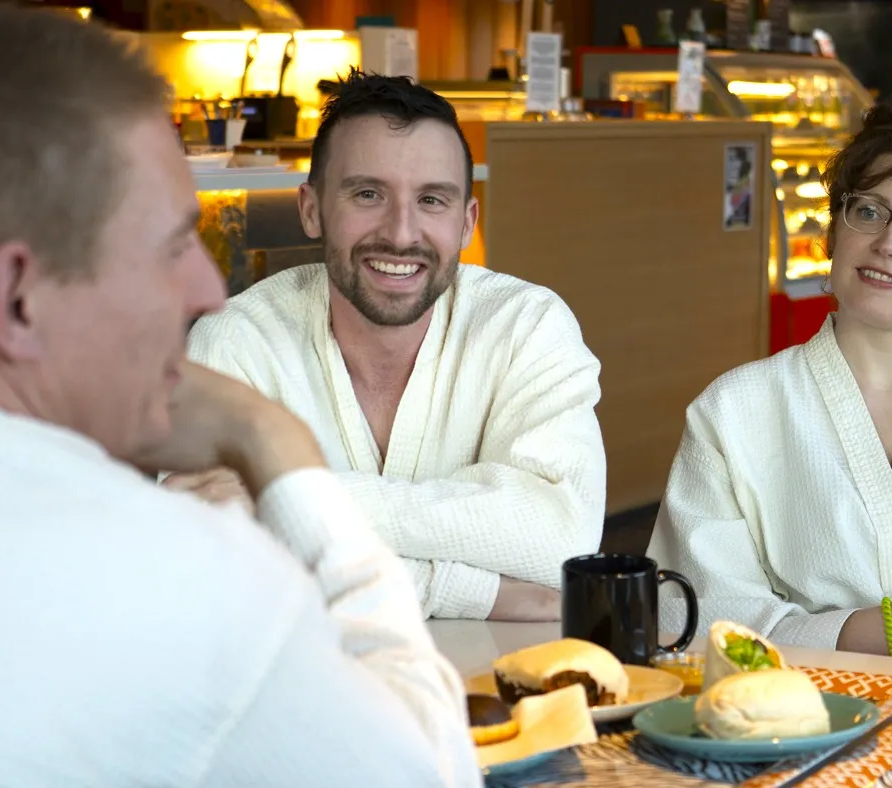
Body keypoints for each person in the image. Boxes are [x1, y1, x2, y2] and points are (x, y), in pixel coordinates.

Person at [0, 8, 478, 785]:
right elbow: (425, 768)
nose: (209, 292)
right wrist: (278, 446)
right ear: (17, 300)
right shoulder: (185, 575)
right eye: (175, 247)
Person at [170, 69, 606, 622]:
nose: (401, 233)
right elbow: (211, 564)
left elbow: (560, 539)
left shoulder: (527, 327)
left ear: (467, 222)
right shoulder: (236, 341)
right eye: (368, 194)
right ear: (312, 208)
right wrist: (481, 592)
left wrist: (290, 496)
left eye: (432, 200)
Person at [648, 103, 892, 664]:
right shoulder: (735, 410)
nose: (890, 243)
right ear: (833, 231)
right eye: (869, 212)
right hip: (801, 719)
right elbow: (691, 614)